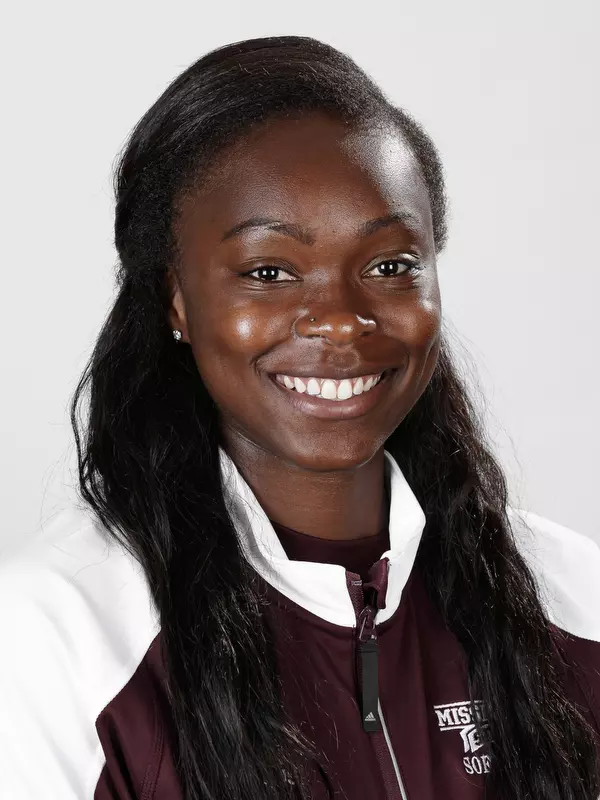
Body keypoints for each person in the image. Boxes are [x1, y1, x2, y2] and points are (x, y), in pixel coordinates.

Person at [1, 35, 599, 800]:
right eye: (270, 272)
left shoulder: (574, 598)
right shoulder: (54, 642)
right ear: (176, 302)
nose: (343, 322)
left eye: (390, 266)